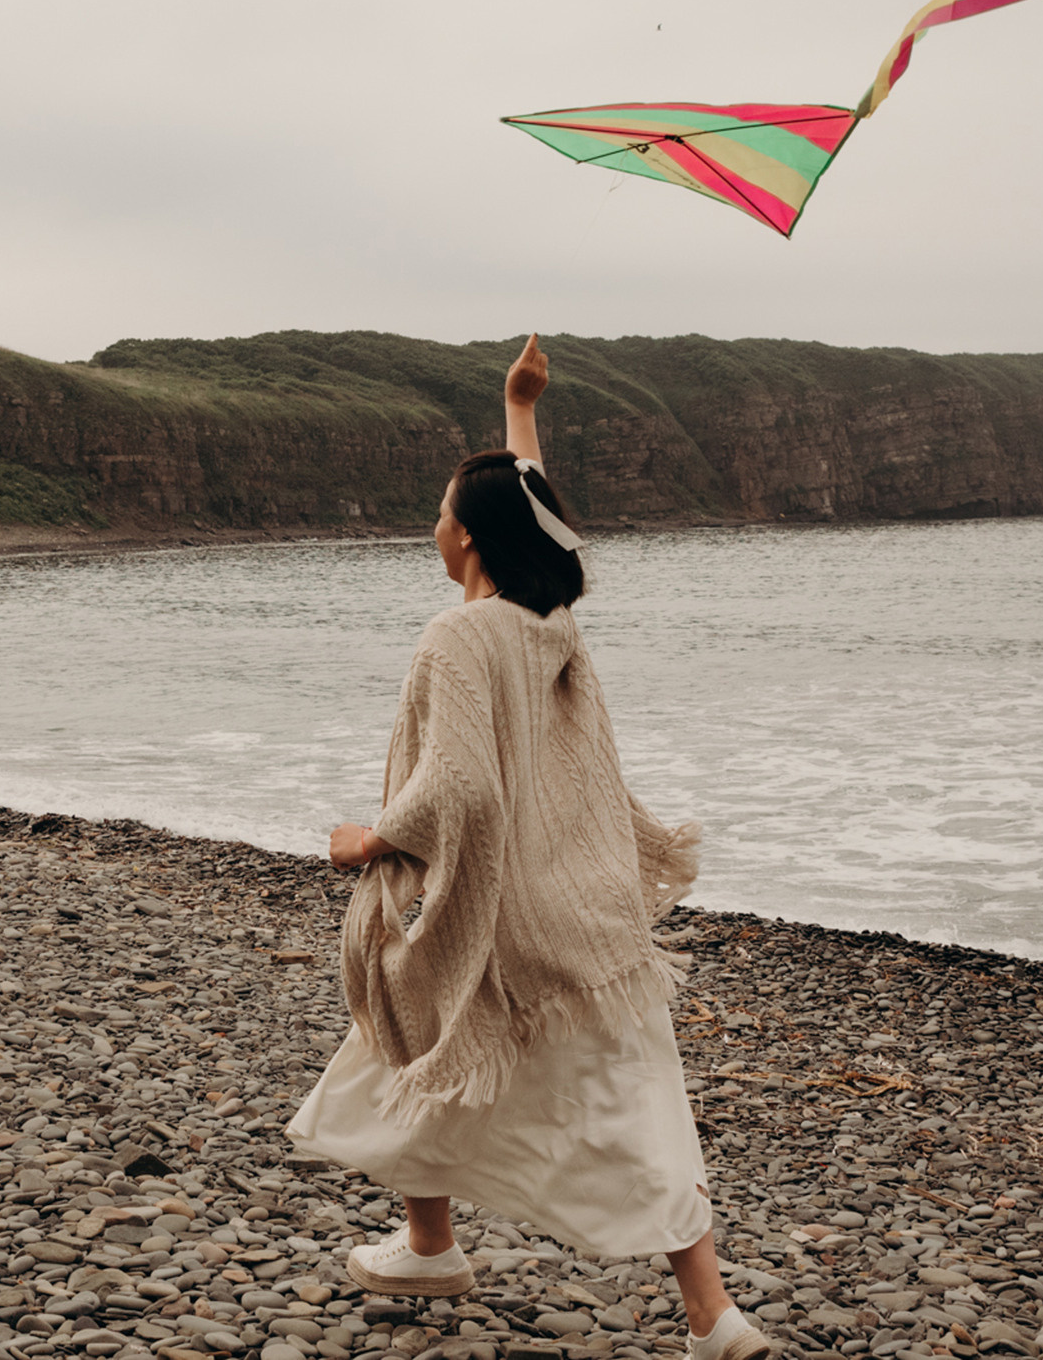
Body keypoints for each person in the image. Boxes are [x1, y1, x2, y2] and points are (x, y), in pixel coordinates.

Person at [287, 336, 770, 1360]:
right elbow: (540, 504)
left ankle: (446, 1245)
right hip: (588, 906)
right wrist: (518, 408)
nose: (435, 524)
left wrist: (367, 839)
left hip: (512, 920)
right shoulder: (553, 622)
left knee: (424, 1028)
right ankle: (700, 1313)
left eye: (445, 510)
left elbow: (457, 782)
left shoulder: (458, 636)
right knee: (614, 1092)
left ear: (468, 538)